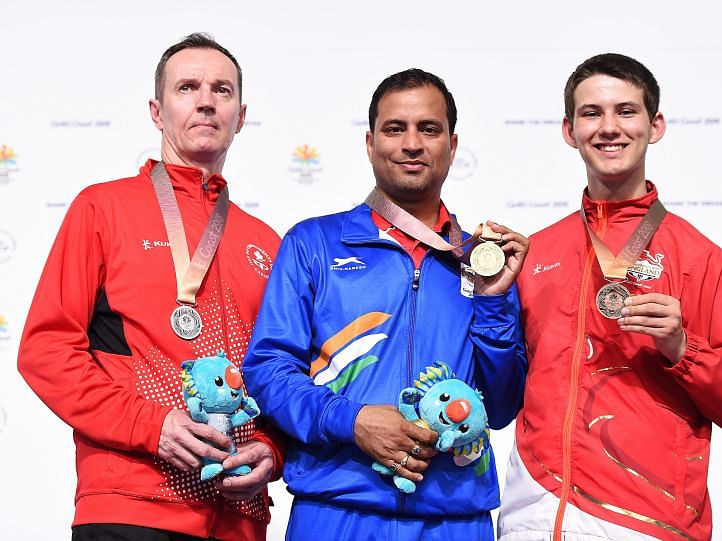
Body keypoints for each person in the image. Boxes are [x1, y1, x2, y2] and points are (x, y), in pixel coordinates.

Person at [498, 53, 722, 541]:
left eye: (626, 111)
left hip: (646, 521)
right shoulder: (537, 252)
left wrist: (682, 348)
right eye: (592, 114)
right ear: (569, 130)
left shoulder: (697, 257)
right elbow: (503, 391)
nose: (609, 128)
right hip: (534, 511)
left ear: (656, 125)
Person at [17, 33, 284, 541]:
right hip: (132, 506)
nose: (206, 100)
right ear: (157, 111)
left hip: (239, 519)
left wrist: (272, 450)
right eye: (187, 87)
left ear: (241, 116)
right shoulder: (102, 209)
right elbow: (46, 350)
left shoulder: (266, 243)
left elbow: (279, 374)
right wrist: (150, 425)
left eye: (221, 90)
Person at [242, 68, 528, 540]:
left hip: (453, 520)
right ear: (371, 143)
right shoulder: (314, 243)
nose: (411, 144)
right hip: (335, 511)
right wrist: (352, 421)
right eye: (396, 129)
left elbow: (499, 409)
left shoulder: (482, 262)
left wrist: (495, 302)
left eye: (428, 129)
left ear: (452, 146)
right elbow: (269, 370)